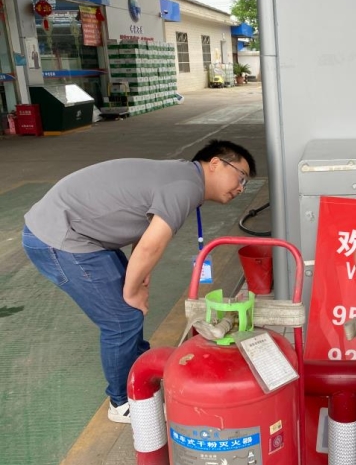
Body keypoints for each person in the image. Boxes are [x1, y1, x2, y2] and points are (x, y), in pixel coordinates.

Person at [22, 140, 256, 423]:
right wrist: (132, 290)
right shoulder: (185, 186)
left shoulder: (181, 176)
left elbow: (140, 220)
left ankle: (141, 377)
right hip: (60, 237)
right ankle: (122, 402)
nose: (241, 188)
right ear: (216, 163)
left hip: (79, 232)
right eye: (240, 177)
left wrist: (139, 273)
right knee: (121, 319)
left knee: (129, 312)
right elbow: (150, 246)